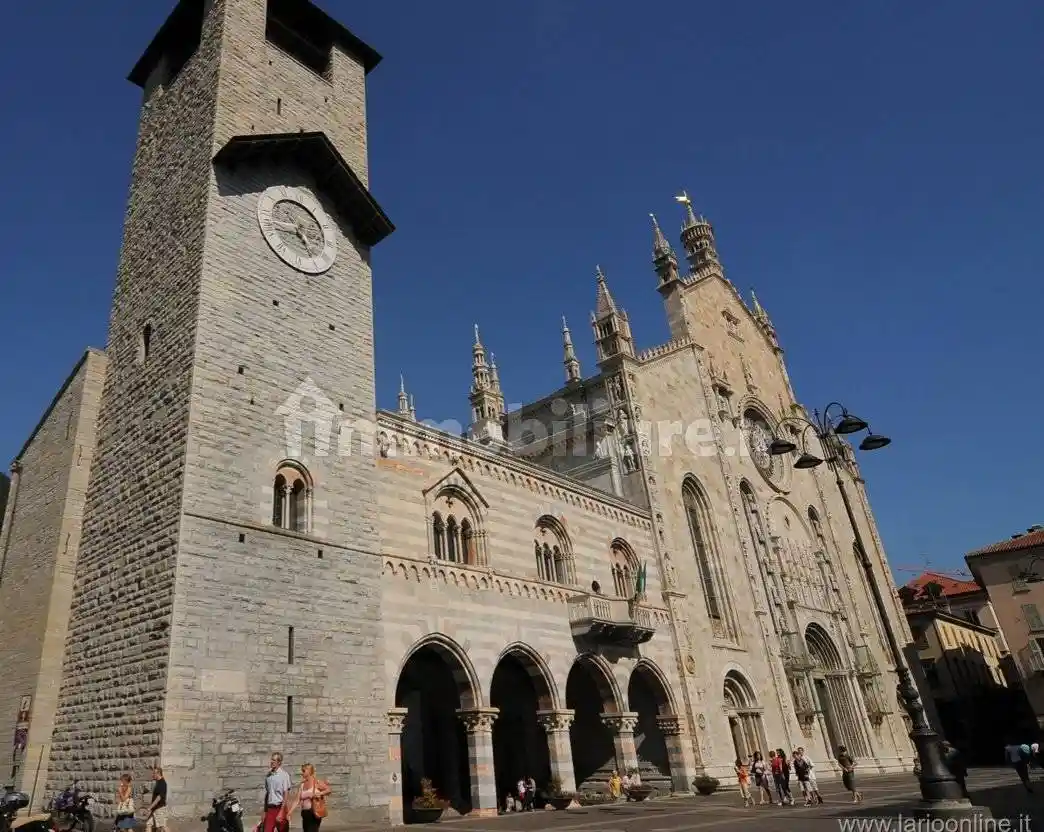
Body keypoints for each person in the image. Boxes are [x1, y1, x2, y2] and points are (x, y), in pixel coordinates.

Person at [287, 764, 330, 832]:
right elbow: (297, 800)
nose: (302, 773)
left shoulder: (316, 782)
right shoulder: (302, 784)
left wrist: (320, 793)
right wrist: (290, 812)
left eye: (304, 771)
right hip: (304, 813)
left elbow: (328, 790)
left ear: (309, 771)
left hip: (314, 812)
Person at [264, 753, 293, 832]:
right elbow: (268, 794)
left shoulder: (284, 775)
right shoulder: (268, 776)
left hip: (280, 808)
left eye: (274, 760)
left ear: (279, 762)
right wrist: (265, 812)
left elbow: (286, 794)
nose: (271, 761)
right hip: (270, 809)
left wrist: (281, 812)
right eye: (271, 759)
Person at [145, 767, 169, 832]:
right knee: (148, 824)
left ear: (158, 773)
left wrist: (150, 807)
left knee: (163, 827)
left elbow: (159, 798)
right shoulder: (158, 782)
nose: (152, 775)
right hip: (155, 809)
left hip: (160, 809)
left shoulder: (162, 783)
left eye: (154, 773)